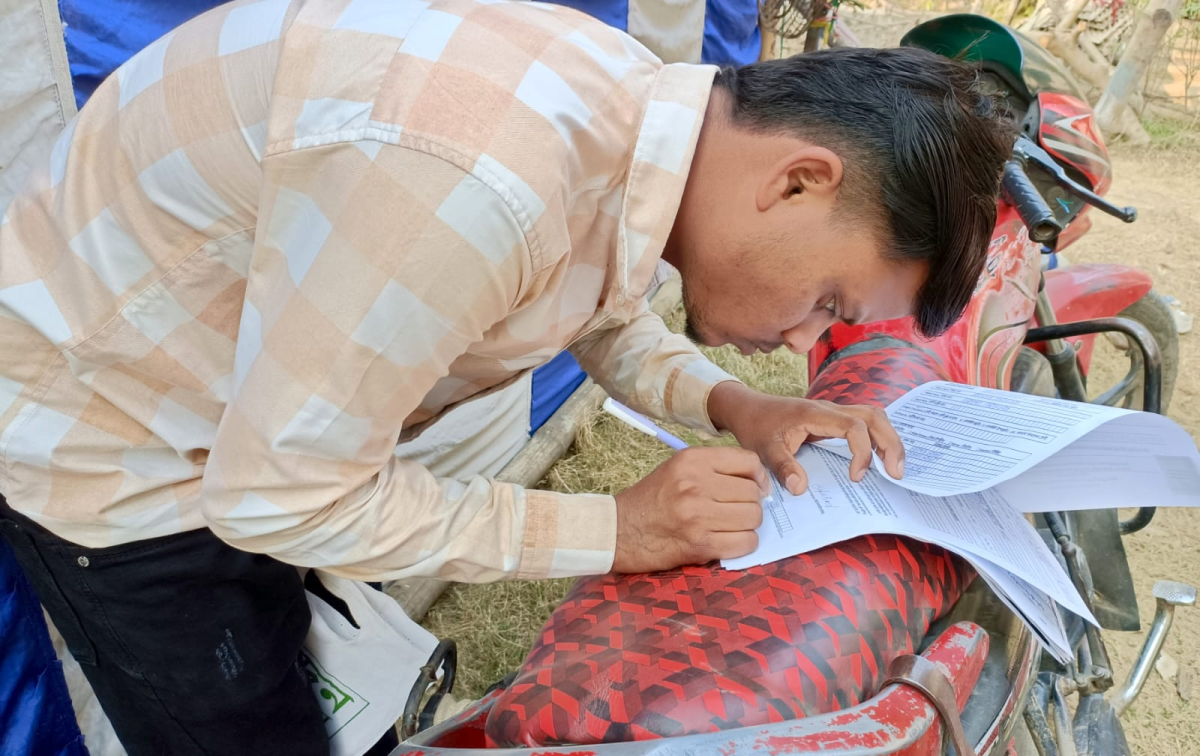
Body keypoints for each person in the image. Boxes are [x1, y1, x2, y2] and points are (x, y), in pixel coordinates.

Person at [0, 0, 1012, 752]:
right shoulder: (482, 178)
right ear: (795, 181)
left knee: (300, 666)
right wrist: (619, 531)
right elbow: (279, 493)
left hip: (239, 418)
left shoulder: (623, 102)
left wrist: (734, 403)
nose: (804, 341)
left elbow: (596, 297)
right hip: (112, 451)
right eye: (829, 302)